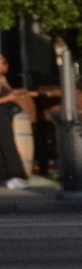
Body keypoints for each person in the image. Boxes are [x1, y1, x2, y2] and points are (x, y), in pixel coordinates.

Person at [0, 53, 29, 188]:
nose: (5, 65)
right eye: (2, 62)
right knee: (7, 145)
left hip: (6, 115)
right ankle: (14, 174)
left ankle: (7, 175)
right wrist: (8, 99)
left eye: (5, 62)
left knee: (6, 144)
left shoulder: (3, 79)